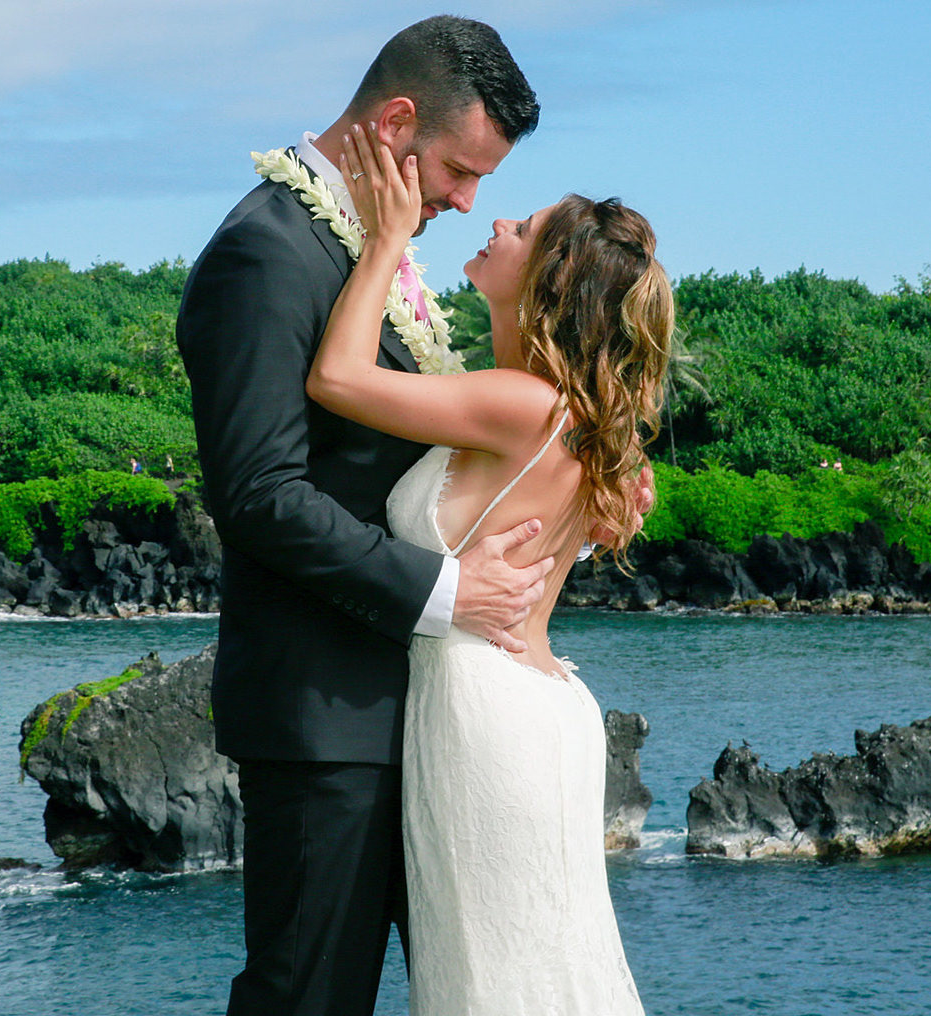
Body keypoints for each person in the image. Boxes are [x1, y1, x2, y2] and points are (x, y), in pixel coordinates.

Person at [176, 17, 546, 1016]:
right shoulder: (265, 253)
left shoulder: (371, 253)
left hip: (418, 715)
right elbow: (259, 494)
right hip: (322, 721)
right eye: (458, 170)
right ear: (393, 124)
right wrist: (447, 592)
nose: (466, 201)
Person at [306, 123, 671, 1012]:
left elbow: (337, 380)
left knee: (494, 976)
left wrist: (387, 241)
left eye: (526, 227)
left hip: (489, 708)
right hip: (530, 702)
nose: (498, 221)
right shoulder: (570, 417)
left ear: (549, 278)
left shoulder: (521, 404)